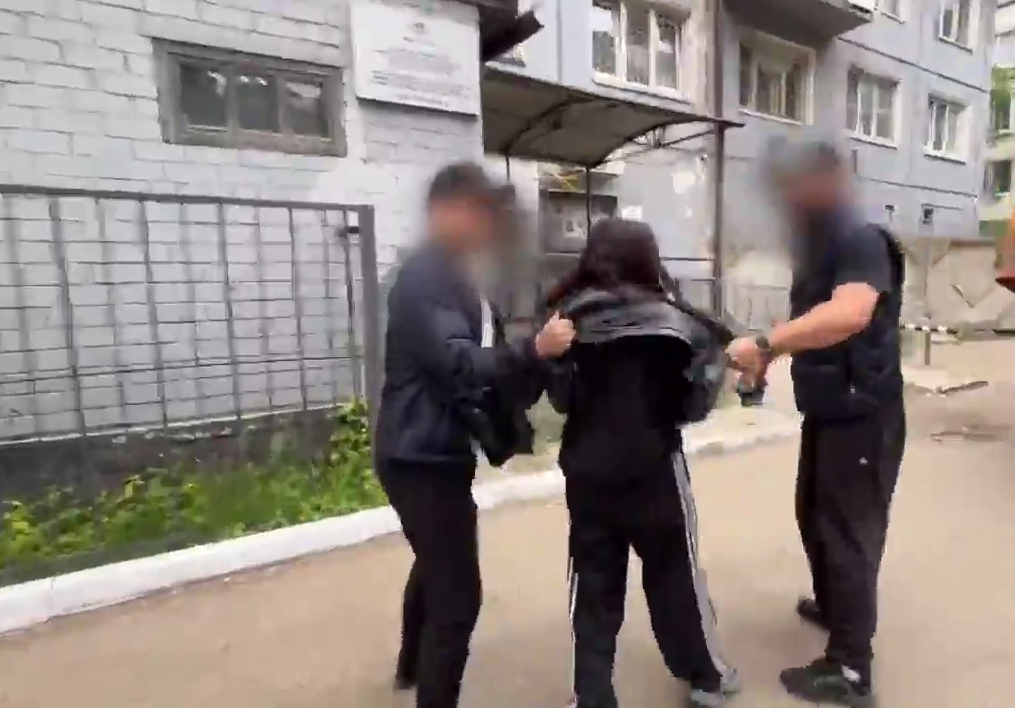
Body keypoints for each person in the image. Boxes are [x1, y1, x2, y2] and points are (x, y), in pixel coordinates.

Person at [374, 162, 576, 708]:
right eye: (477, 211)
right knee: (459, 597)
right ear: (444, 212)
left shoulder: (454, 274)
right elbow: (459, 362)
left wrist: (530, 365)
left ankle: (411, 667)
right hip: (421, 459)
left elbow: (486, 364)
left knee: (434, 563)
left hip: (428, 451)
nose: (488, 223)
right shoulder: (426, 276)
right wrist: (535, 349)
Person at [725, 143, 906, 707]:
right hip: (829, 410)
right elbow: (809, 323)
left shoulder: (861, 239)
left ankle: (851, 670)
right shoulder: (820, 247)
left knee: (847, 534)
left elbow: (850, 313)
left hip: (863, 414)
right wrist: (767, 359)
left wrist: (763, 343)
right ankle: (835, 607)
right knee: (814, 515)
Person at [543, 217, 739, 708]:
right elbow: (694, 403)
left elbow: (561, 399)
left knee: (593, 589)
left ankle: (593, 696)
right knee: (676, 579)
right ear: (648, 260)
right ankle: (706, 678)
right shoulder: (677, 321)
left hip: (588, 474)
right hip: (655, 471)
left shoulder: (565, 320)